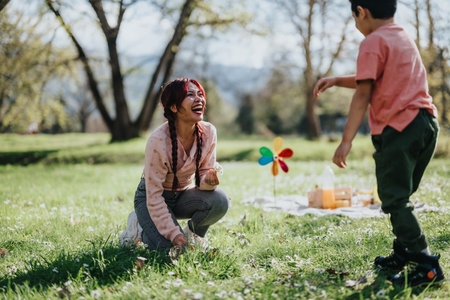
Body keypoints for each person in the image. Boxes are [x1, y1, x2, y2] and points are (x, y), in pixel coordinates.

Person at [313, 0, 444, 286]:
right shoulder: (401, 36)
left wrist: (345, 141)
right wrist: (336, 80)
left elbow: (364, 93)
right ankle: (404, 253)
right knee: (402, 196)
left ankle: (425, 264)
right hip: (425, 124)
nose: (356, 24)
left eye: (355, 18)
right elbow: (371, 78)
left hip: (400, 129)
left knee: (394, 199)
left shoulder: (372, 42)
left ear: (362, 11)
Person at [120, 78, 229, 252]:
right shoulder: (158, 140)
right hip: (151, 199)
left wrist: (208, 181)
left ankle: (192, 235)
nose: (199, 98)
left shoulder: (209, 132)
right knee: (169, 251)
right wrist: (174, 234)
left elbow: (203, 174)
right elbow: (154, 196)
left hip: (182, 196)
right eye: (190, 95)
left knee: (220, 201)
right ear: (174, 107)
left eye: (200, 94)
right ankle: (138, 227)